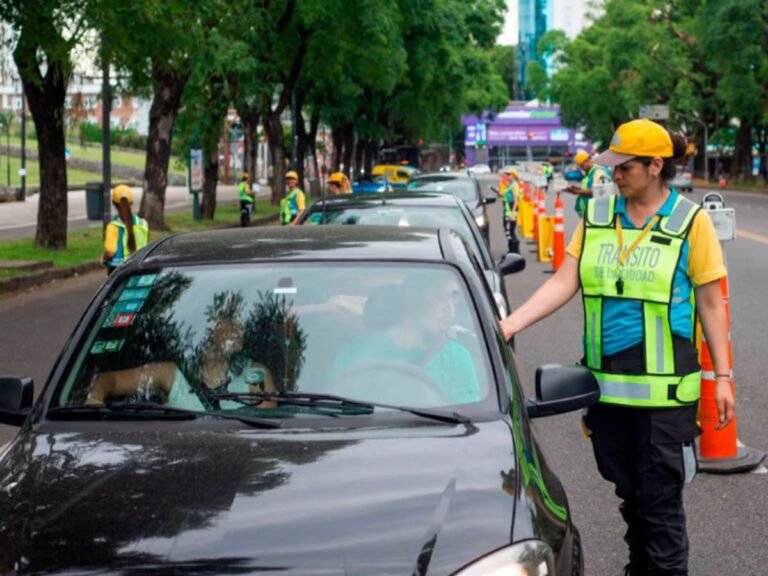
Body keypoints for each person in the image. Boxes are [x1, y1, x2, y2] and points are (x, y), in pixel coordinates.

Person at [500, 119, 734, 576]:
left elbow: (710, 301)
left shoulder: (691, 223)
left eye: (623, 167)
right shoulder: (599, 217)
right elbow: (566, 280)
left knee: (661, 507)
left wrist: (722, 378)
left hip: (665, 400)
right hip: (607, 394)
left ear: (655, 166)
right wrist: (509, 324)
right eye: (611, 166)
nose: (613, 175)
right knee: (632, 500)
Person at [86, 297, 277, 411]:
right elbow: (107, 380)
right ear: (208, 327)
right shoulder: (170, 374)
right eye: (230, 321)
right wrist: (95, 398)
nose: (240, 329)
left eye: (241, 322)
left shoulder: (255, 376)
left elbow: (268, 436)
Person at [329, 275, 481, 405]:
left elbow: (468, 422)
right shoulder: (354, 352)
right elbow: (334, 412)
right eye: (440, 298)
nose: (450, 310)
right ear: (412, 298)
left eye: (454, 299)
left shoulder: (456, 358)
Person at [101, 185, 149, 275]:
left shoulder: (113, 226)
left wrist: (103, 259)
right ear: (131, 202)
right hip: (138, 265)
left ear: (113, 203)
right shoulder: (143, 223)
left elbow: (110, 253)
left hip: (118, 270)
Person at [563, 149, 611, 217]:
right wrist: (574, 189)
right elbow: (588, 188)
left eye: (581, 166)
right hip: (588, 215)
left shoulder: (599, 172)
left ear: (586, 161)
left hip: (596, 214)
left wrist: (577, 191)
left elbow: (603, 191)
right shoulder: (589, 173)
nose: (581, 168)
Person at [502, 167, 521, 254]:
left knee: (509, 231)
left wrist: (512, 214)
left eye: (509, 174)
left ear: (513, 175)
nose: (507, 176)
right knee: (508, 231)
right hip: (507, 210)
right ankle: (512, 250)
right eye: (507, 174)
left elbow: (516, 200)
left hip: (510, 212)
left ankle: (514, 250)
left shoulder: (514, 185)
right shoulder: (510, 185)